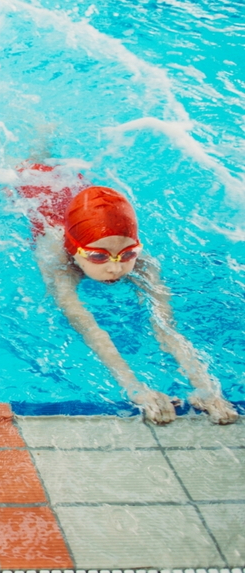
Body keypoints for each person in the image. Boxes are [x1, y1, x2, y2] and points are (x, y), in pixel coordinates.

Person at [23, 173, 238, 425]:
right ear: (74, 251)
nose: (115, 269)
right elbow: (90, 329)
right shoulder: (57, 261)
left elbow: (165, 327)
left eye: (127, 254)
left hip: (79, 197)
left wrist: (207, 389)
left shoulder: (143, 264)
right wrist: (134, 388)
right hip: (34, 188)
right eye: (98, 257)